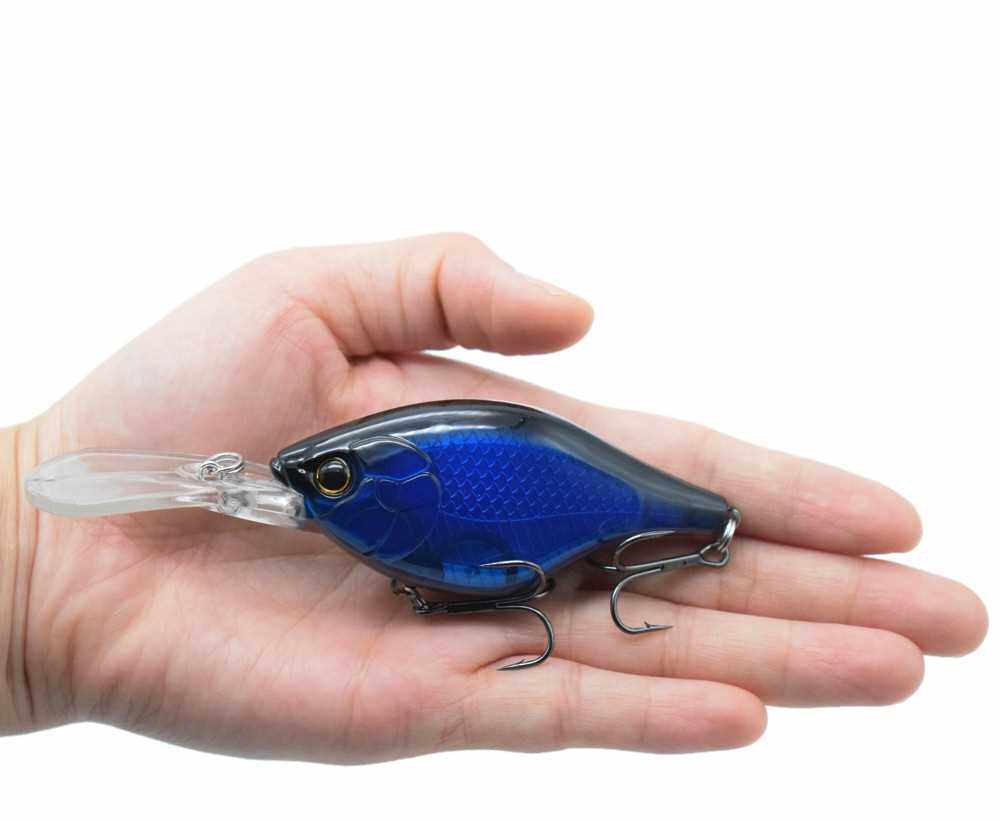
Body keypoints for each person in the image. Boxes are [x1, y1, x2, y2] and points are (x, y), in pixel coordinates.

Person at [0, 234, 987, 763]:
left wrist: (40, 588)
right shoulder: (354, 516)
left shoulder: (405, 504)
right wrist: (32, 585)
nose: (321, 491)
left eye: (336, 479)